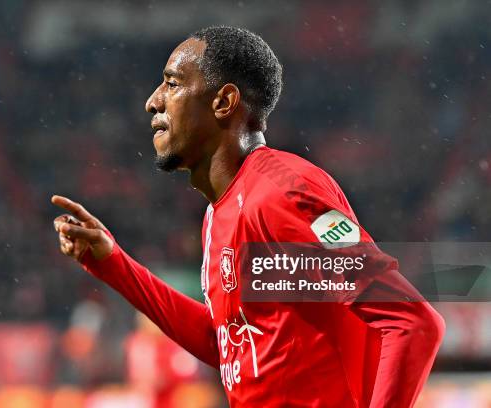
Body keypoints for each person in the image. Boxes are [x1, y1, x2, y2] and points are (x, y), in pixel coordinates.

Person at [52, 26, 444, 407]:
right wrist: (113, 264)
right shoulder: (216, 216)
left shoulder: (285, 194)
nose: (153, 102)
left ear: (223, 102)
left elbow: (411, 321)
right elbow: (225, 341)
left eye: (172, 84)